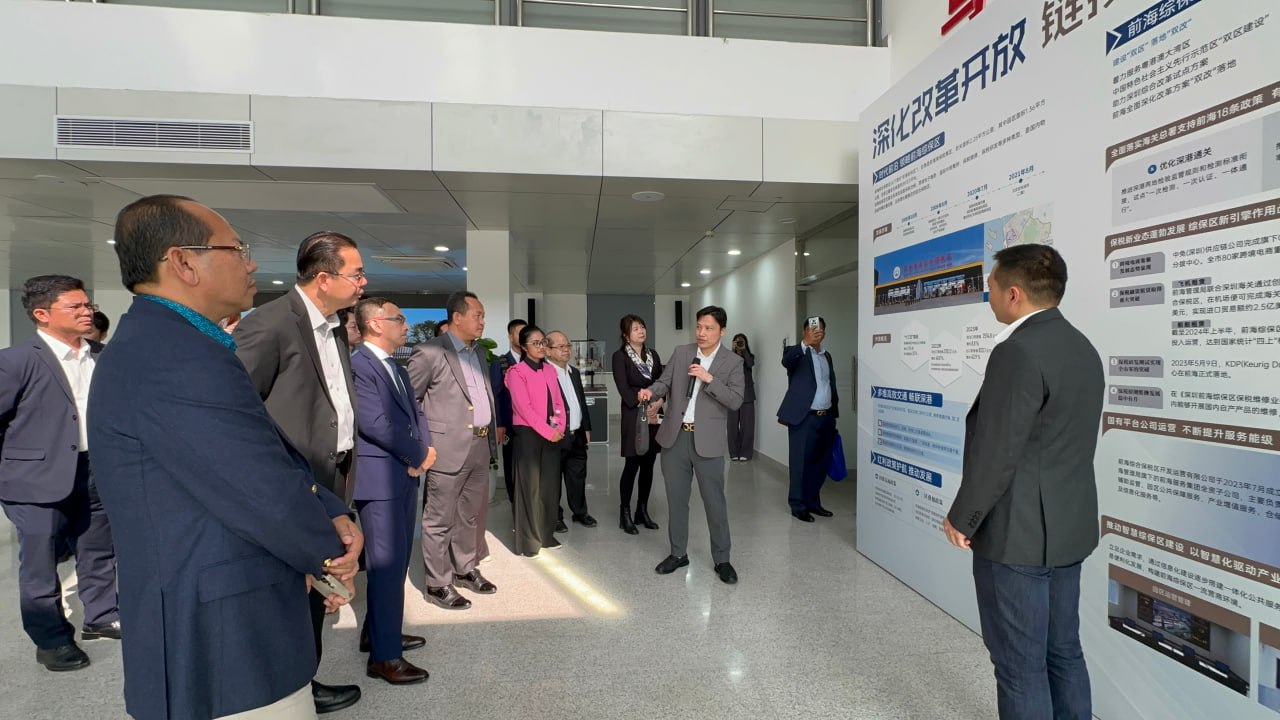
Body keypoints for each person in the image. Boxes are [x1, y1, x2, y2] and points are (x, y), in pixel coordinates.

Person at [89, 194, 360, 720]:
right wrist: (328, 554)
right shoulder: (171, 357)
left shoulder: (181, 345)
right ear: (183, 262)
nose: (251, 264)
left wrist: (329, 509)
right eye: (236, 249)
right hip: (221, 641)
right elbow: (258, 488)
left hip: (233, 610)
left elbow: (260, 450)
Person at [943, 244, 1104, 720]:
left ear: (1013, 293)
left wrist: (963, 517)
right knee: (1064, 652)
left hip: (1018, 537)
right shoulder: (1082, 347)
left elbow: (998, 450)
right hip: (1068, 531)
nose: (989, 295)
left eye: (991, 287)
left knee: (1020, 668)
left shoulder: (1016, 352)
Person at [233, 230, 367, 714]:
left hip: (332, 477)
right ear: (324, 278)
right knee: (291, 588)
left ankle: (304, 681)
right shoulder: (269, 325)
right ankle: (285, 687)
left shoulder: (335, 327)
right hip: (291, 483)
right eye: (356, 274)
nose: (363, 283)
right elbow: (237, 411)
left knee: (319, 583)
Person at [0, 275, 119, 672]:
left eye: (88, 305)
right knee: (39, 565)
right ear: (42, 314)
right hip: (35, 480)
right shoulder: (15, 362)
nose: (87, 312)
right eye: (76, 307)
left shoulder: (103, 356)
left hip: (95, 471)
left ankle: (102, 617)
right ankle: (51, 640)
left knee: (98, 551)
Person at [350, 297, 435, 686]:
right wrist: (416, 453)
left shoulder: (396, 367)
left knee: (397, 563)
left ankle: (379, 632)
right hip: (380, 478)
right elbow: (373, 423)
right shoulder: (359, 365)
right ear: (374, 324)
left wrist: (425, 450)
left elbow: (417, 413)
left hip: (404, 473)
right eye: (399, 319)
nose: (406, 325)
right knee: (384, 565)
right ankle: (385, 658)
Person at [638, 306, 745, 584]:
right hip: (675, 438)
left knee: (715, 503)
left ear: (722, 331)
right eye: (698, 326)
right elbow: (664, 382)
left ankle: (722, 559)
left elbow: (735, 400)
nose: (701, 333)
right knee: (676, 501)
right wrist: (651, 391)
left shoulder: (733, 362)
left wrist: (709, 379)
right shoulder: (683, 352)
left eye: (708, 328)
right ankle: (678, 553)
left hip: (708, 441)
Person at [406, 291, 499, 611]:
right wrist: (423, 445)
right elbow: (410, 402)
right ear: (457, 317)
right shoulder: (430, 352)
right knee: (439, 519)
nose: (482, 321)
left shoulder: (478, 353)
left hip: (479, 445)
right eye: (477, 315)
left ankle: (464, 568)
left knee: (469, 515)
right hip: (446, 448)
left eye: (482, 315)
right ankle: (437, 583)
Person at [504, 325, 565, 557]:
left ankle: (547, 535)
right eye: (536, 343)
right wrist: (548, 431)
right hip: (529, 435)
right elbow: (524, 408)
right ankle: (529, 542)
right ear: (523, 346)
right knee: (529, 489)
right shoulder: (516, 372)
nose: (541, 346)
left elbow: (558, 402)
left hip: (552, 434)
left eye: (543, 342)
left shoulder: (550, 370)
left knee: (550, 487)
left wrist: (559, 427)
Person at [777, 317, 839, 522]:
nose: (817, 332)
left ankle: (813, 502)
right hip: (804, 418)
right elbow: (786, 362)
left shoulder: (827, 355)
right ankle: (797, 505)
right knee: (800, 464)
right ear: (805, 331)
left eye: (820, 329)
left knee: (819, 464)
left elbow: (830, 384)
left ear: (825, 333)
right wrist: (805, 343)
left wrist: (834, 414)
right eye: (813, 329)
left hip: (826, 417)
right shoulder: (796, 353)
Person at [610, 315, 663, 535]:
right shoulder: (620, 356)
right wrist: (645, 403)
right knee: (632, 464)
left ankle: (642, 510)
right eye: (635, 328)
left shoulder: (653, 355)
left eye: (642, 327)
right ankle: (625, 513)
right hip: (634, 414)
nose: (641, 331)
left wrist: (659, 402)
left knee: (649, 465)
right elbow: (624, 389)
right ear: (626, 335)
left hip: (654, 414)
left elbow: (662, 382)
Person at [545, 331, 597, 530]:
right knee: (553, 479)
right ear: (548, 351)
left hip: (577, 434)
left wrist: (587, 427)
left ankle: (580, 512)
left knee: (578, 476)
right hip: (556, 435)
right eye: (560, 346)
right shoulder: (544, 373)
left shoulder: (573, 372)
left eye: (567, 345)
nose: (566, 349)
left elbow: (581, 402)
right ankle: (555, 516)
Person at [490, 318, 526, 505]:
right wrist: (499, 424)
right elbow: (496, 395)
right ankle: (515, 504)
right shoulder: (501, 363)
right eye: (519, 333)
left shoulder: (535, 361)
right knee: (512, 464)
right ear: (510, 337)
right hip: (510, 425)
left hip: (532, 425)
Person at [727, 333, 755, 461]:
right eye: (737, 342)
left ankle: (746, 453)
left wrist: (743, 352)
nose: (739, 343)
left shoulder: (750, 356)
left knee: (747, 425)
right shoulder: (729, 357)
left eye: (741, 342)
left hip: (747, 394)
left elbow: (750, 364)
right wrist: (734, 351)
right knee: (732, 426)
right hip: (732, 394)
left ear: (746, 343)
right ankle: (733, 453)